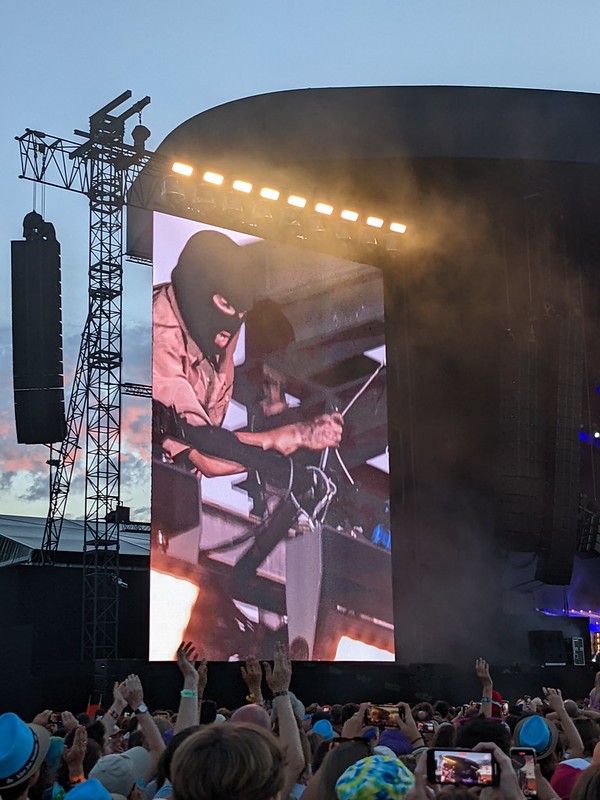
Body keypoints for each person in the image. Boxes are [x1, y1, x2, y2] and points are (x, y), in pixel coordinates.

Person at [152, 230, 343, 478]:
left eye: (242, 313)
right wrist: (292, 436)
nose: (232, 327)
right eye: (227, 305)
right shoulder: (159, 337)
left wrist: (284, 437)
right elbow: (207, 455)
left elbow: (216, 447)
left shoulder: (213, 332)